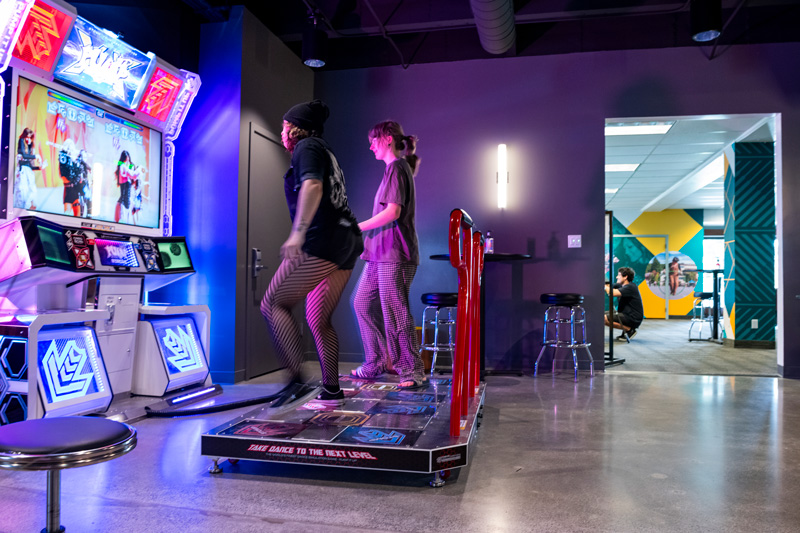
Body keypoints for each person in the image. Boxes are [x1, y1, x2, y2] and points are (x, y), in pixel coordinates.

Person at [260, 100, 363, 407]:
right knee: (318, 318)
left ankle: (296, 381)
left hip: (324, 240)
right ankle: (331, 389)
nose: (281, 131)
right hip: (347, 239)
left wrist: (297, 233)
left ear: (294, 128)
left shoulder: (307, 147)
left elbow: (314, 185)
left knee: (273, 303)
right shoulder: (325, 150)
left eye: (283, 125)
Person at [351, 120, 424, 389]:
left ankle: (412, 370)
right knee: (361, 303)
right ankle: (377, 361)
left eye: (374, 140)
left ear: (387, 139)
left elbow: (393, 211)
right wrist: (410, 152)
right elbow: (412, 167)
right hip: (378, 254)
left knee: (396, 312)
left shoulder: (396, 167)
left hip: (394, 253)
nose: (370, 145)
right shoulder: (399, 167)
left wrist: (357, 226)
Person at [605, 266, 644, 340]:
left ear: (625, 277)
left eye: (619, 275)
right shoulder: (621, 285)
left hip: (633, 318)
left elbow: (612, 293)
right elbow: (609, 286)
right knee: (601, 315)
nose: (617, 277)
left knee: (603, 318)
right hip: (626, 314)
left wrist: (605, 287)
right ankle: (627, 330)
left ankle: (629, 330)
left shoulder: (631, 287)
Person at [114, 150, 145, 224]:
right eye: (127, 157)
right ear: (126, 157)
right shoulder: (123, 167)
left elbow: (132, 175)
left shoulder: (123, 166)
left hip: (124, 202)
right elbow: (133, 175)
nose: (128, 159)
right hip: (125, 204)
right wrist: (139, 168)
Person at [14, 128, 41, 210]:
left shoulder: (29, 145)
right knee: (23, 192)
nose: (28, 139)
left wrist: (39, 167)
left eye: (30, 137)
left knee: (33, 190)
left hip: (28, 171)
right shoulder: (21, 141)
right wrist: (36, 156)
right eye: (27, 137)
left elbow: (29, 164)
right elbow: (24, 156)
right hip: (22, 171)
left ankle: (32, 208)